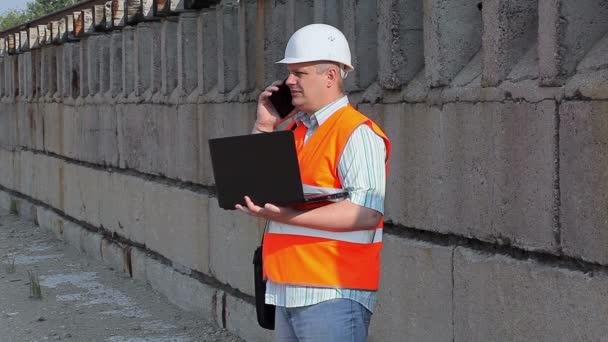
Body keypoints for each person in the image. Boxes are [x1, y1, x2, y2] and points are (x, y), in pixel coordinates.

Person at [235, 23, 391, 342]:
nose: (288, 81)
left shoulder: (356, 133)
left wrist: (286, 216)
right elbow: (252, 187)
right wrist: (264, 126)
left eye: (299, 73)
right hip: (286, 290)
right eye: (289, 72)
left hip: (332, 293)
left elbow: (366, 213)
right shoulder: (296, 132)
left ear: (330, 76)